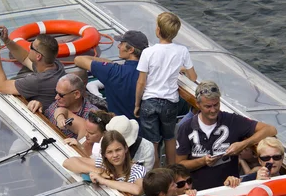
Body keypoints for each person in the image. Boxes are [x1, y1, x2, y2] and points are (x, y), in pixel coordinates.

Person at [176, 81, 277, 191]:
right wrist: (203, 161)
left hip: (230, 190)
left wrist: (243, 144)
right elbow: (180, 165)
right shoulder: (186, 128)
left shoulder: (232, 120)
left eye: (216, 105)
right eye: (208, 106)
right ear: (197, 104)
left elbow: (270, 129)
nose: (213, 110)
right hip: (199, 192)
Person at [134, 12, 197, 167]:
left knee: (152, 141)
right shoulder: (182, 51)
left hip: (149, 101)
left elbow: (141, 82)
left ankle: (156, 173)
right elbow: (193, 77)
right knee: (169, 137)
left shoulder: (148, 52)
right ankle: (171, 169)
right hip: (170, 102)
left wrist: (137, 104)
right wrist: (179, 68)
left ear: (158, 30)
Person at [74, 30, 149, 119]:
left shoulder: (113, 71)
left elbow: (78, 60)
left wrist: (108, 62)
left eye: (121, 44)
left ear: (131, 50)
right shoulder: (153, 72)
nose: (118, 46)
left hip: (118, 127)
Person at [0, 28, 65, 111]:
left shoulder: (37, 81)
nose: (29, 46)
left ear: (38, 56)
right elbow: (25, 58)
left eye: (31, 46)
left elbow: (1, 86)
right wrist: (6, 40)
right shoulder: (55, 65)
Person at [31, 74, 98, 139]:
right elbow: (46, 117)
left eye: (61, 95)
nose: (56, 97)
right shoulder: (60, 102)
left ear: (76, 94)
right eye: (56, 92)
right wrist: (38, 107)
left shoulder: (92, 116)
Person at [90, 116, 155, 171]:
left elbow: (145, 176)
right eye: (110, 151)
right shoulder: (104, 142)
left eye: (118, 149)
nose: (115, 155)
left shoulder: (147, 148)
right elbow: (99, 164)